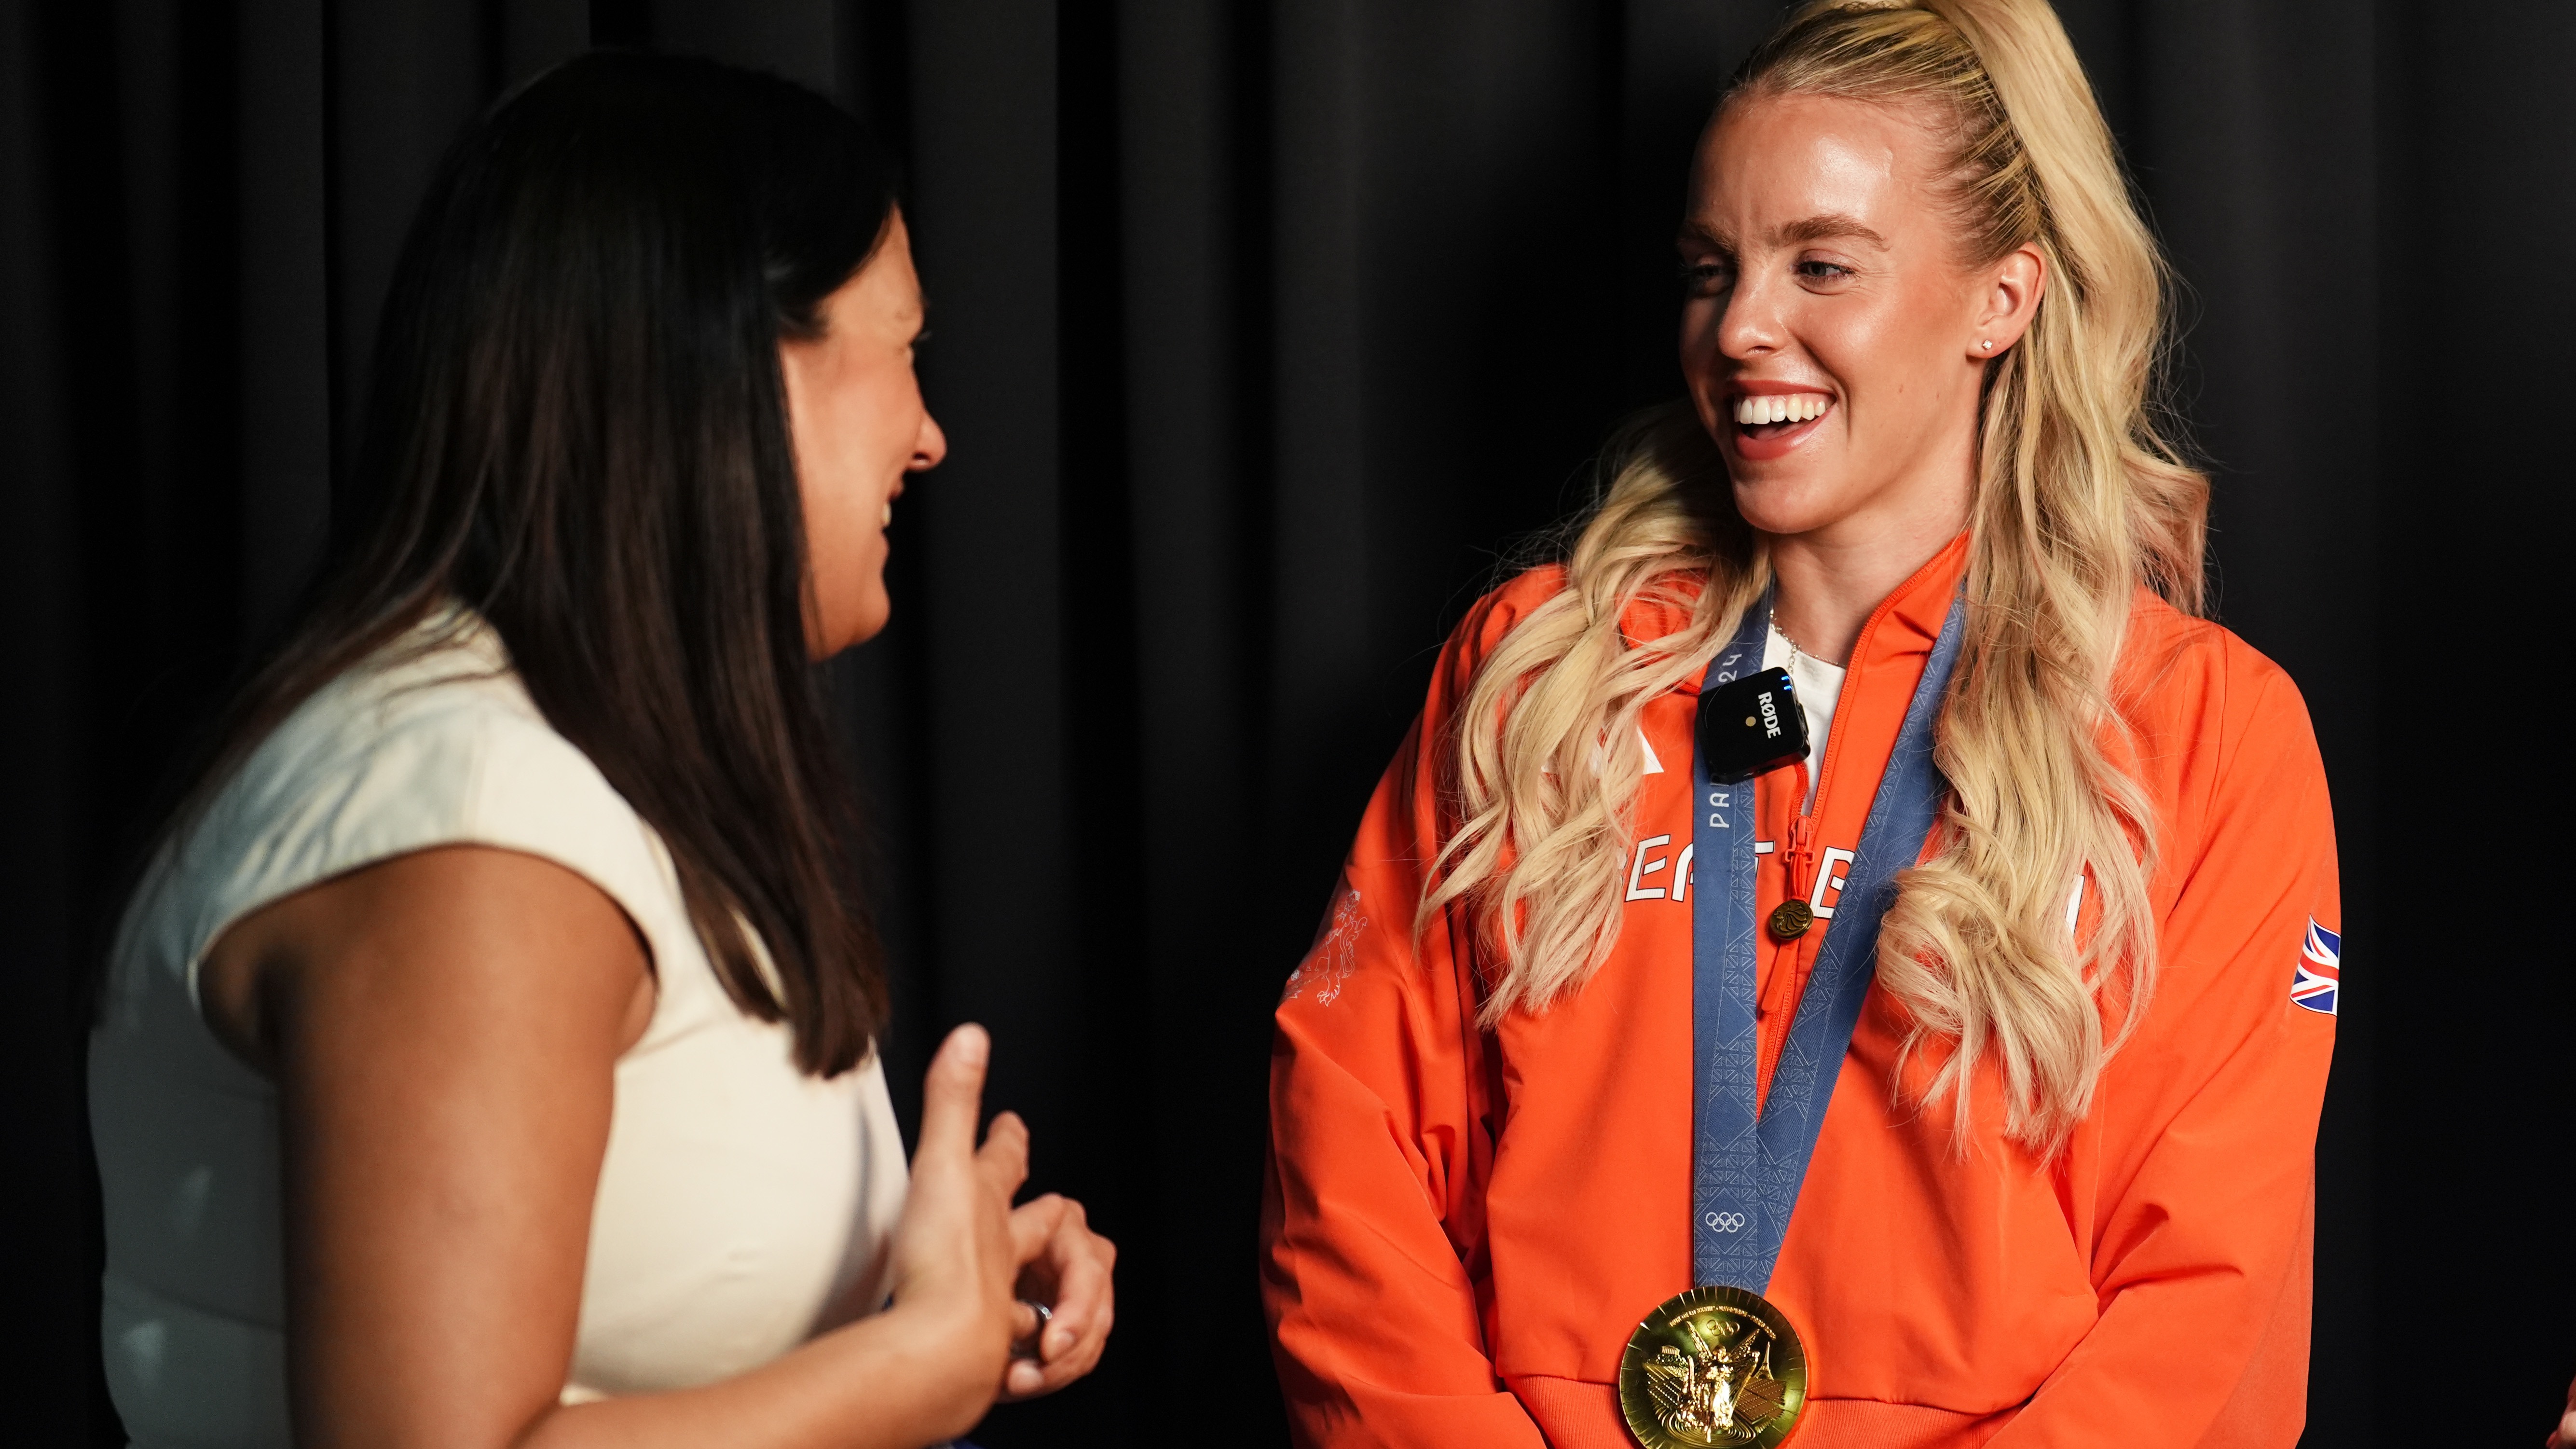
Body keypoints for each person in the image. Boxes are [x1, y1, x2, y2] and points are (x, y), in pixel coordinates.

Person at [1260, 2, 2336, 1446]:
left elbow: (2205, 1307)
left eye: (1821, 265)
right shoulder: (1533, 670)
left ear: (2001, 299)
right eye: (1711, 270)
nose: (1739, 329)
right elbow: (1350, 1171)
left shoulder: (2204, 730)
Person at [88, 53, 1112, 1449]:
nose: (930, 437)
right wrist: (909, 1366)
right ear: (738, 373)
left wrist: (934, 1298)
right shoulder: (467, 821)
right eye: (905, 349)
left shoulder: (571, 760)